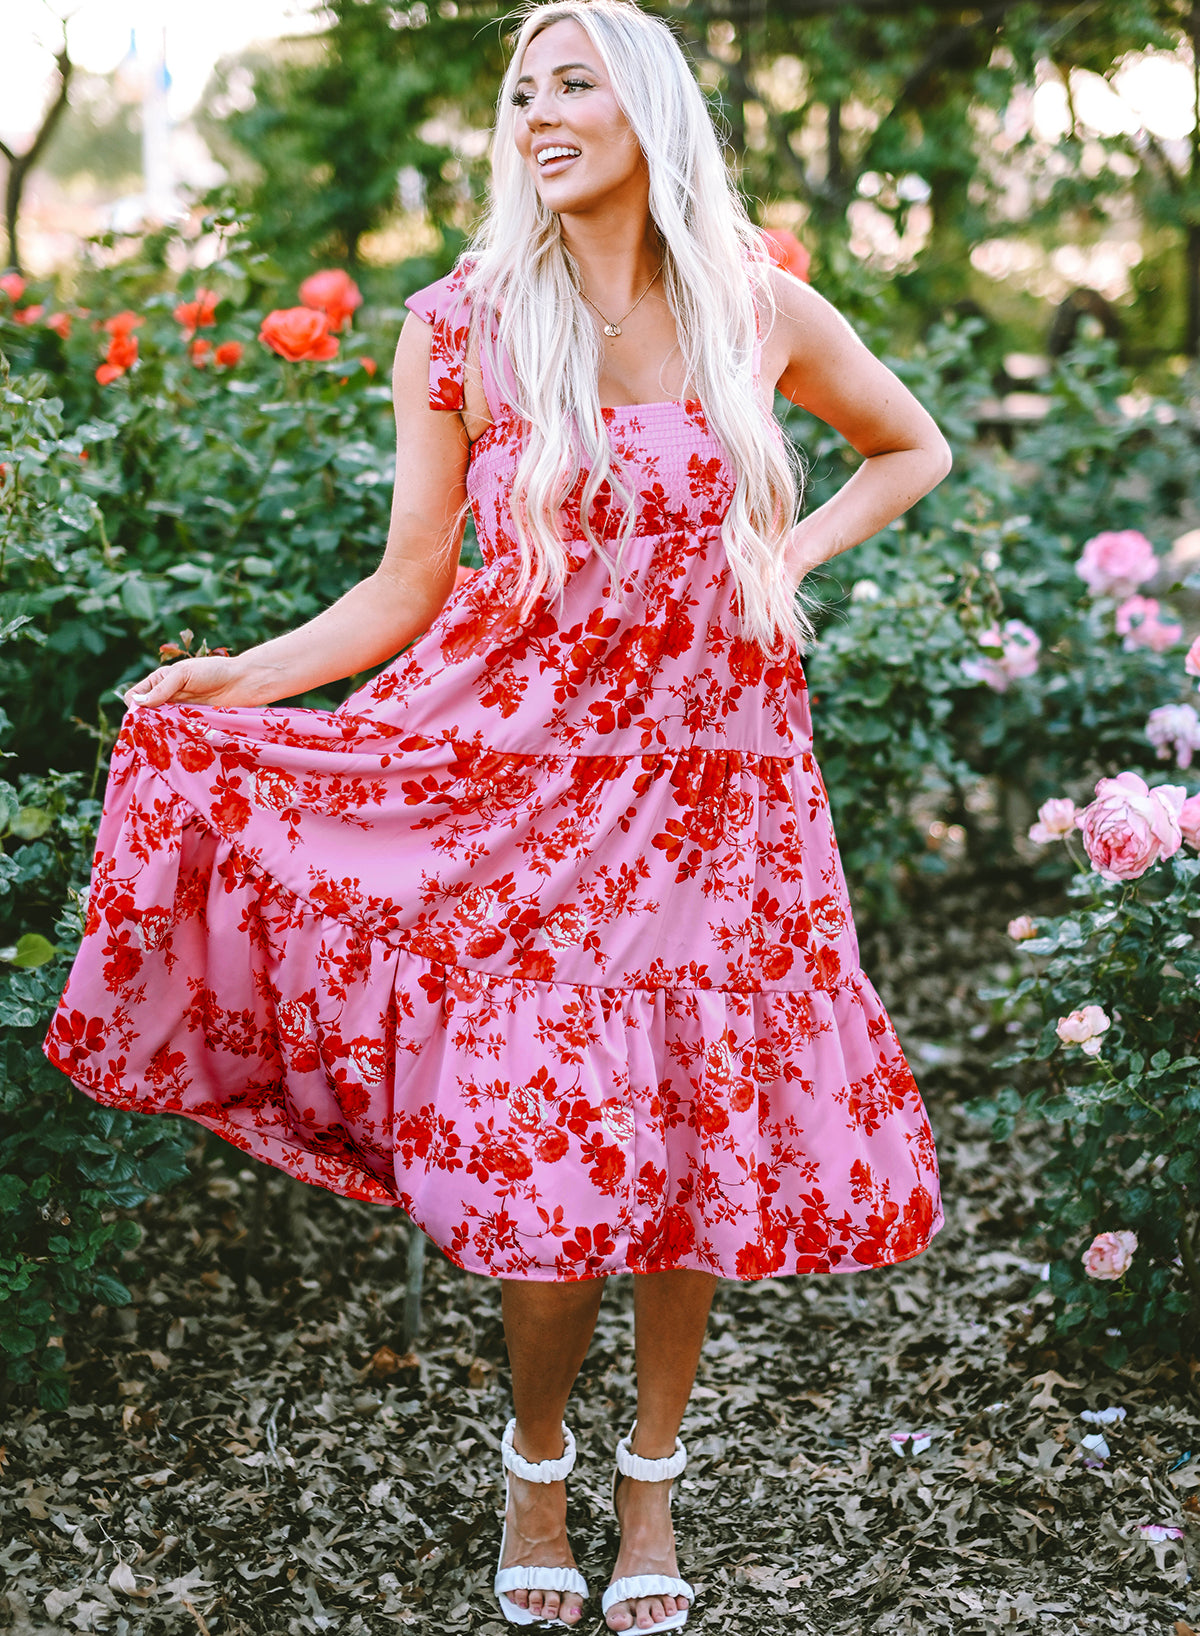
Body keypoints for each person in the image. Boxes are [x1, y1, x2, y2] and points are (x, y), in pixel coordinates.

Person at [44, 0, 953, 1628]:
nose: (538, 111)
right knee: (551, 1153)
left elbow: (909, 448)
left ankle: (650, 1493)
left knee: (687, 1135)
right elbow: (409, 584)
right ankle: (537, 1455)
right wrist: (244, 680)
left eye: (572, 83)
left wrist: (782, 557)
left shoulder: (755, 306)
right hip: (523, 793)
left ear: (645, 110)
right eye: (522, 89)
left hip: (724, 789)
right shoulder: (461, 322)